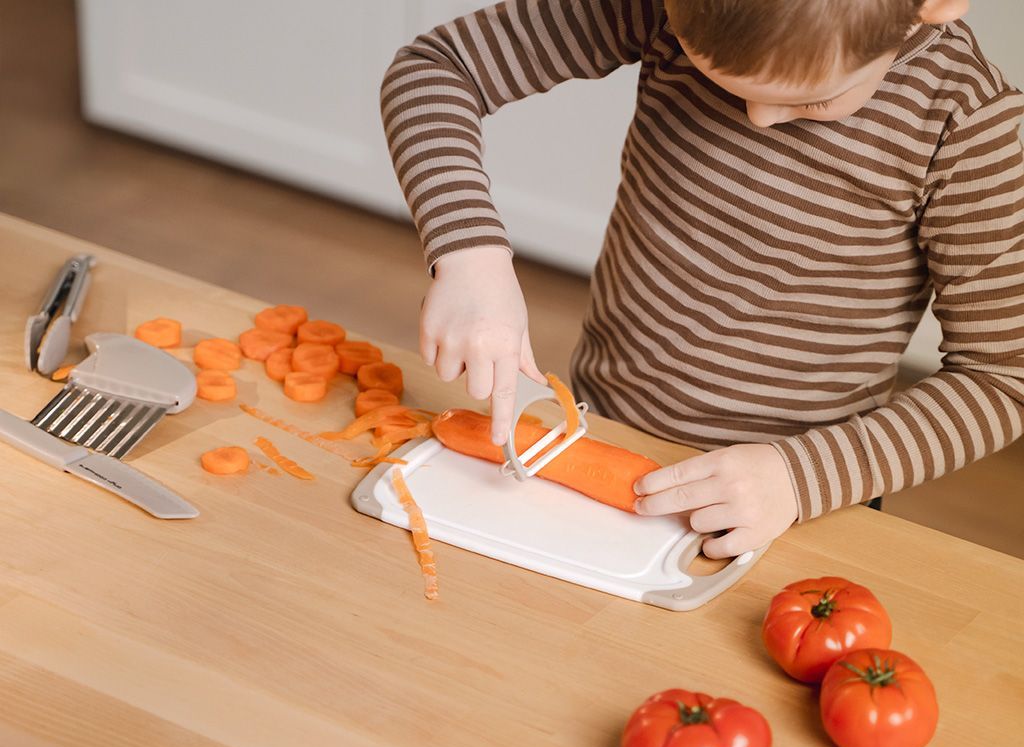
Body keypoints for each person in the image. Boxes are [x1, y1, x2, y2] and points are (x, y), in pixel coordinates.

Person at [380, 0, 1023, 557]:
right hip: (607, 434)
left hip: (801, 499)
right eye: (724, 82)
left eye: (814, 100)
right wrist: (469, 253)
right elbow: (436, 69)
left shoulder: (972, 127)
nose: (758, 118)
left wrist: (800, 478)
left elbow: (1005, 377)